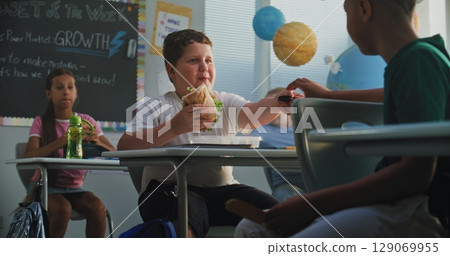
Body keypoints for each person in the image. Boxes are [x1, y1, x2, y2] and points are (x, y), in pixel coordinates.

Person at [235, 0, 450, 238]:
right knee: (250, 226)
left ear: (365, 9)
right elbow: (391, 96)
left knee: (256, 233)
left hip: (417, 210)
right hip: (399, 203)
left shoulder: (417, 61)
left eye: (347, 13)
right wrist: (330, 96)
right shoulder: (417, 60)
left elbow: (415, 174)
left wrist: (312, 204)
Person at [117, 29, 302, 237]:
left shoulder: (225, 102)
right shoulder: (156, 106)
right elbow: (125, 146)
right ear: (171, 71)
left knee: (278, 214)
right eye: (194, 60)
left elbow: (254, 112)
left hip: (222, 192)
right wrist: (175, 128)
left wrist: (280, 101)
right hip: (168, 189)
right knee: (189, 211)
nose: (204, 67)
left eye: (209, 60)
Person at [24, 67, 116, 238]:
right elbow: (28, 156)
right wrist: (59, 142)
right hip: (45, 187)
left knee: (97, 207)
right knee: (62, 209)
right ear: (48, 93)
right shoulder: (41, 122)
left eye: (70, 87)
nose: (66, 92)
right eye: (59, 88)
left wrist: (97, 142)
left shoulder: (87, 121)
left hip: (74, 188)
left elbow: (114, 152)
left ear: (76, 92)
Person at [249, 87, 305, 201]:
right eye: (267, 106)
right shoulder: (260, 130)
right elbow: (249, 143)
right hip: (289, 187)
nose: (271, 109)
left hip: (319, 183)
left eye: (276, 104)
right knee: (287, 194)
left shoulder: (305, 128)